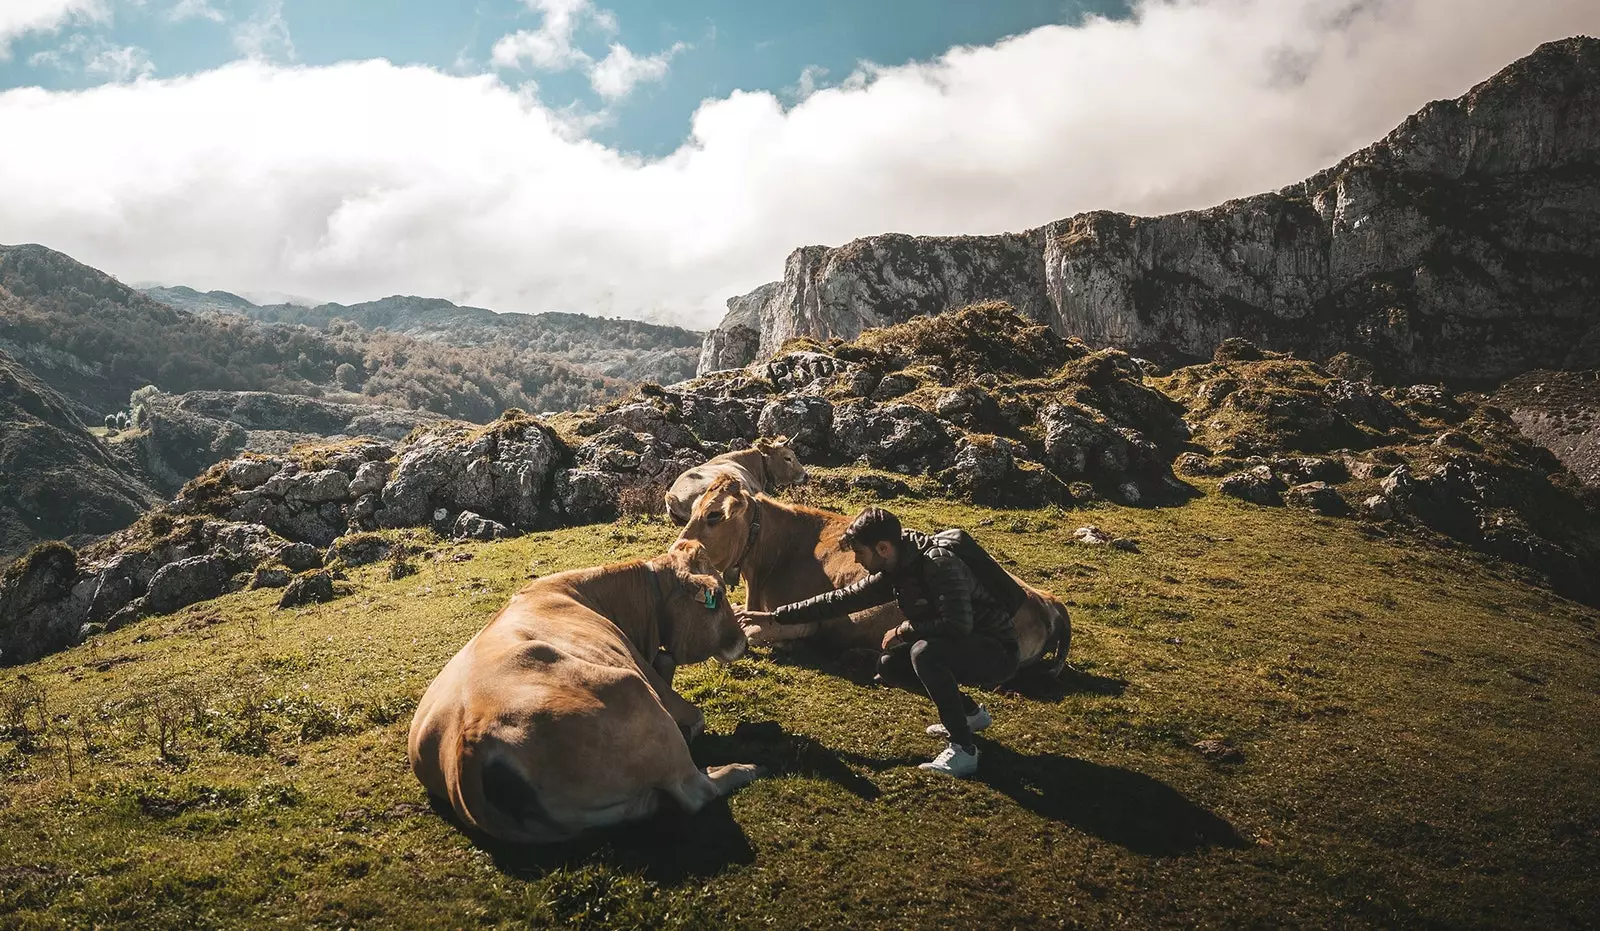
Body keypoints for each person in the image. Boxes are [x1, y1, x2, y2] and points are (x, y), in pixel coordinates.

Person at [737, 507, 1019, 777]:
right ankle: (969, 714)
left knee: (924, 653)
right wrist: (772, 616)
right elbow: (838, 601)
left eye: (860, 552)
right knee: (890, 664)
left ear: (883, 548)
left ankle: (964, 750)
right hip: (961, 644)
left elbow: (958, 625)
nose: (857, 561)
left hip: (997, 651)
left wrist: (904, 630)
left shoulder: (939, 565)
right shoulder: (897, 569)